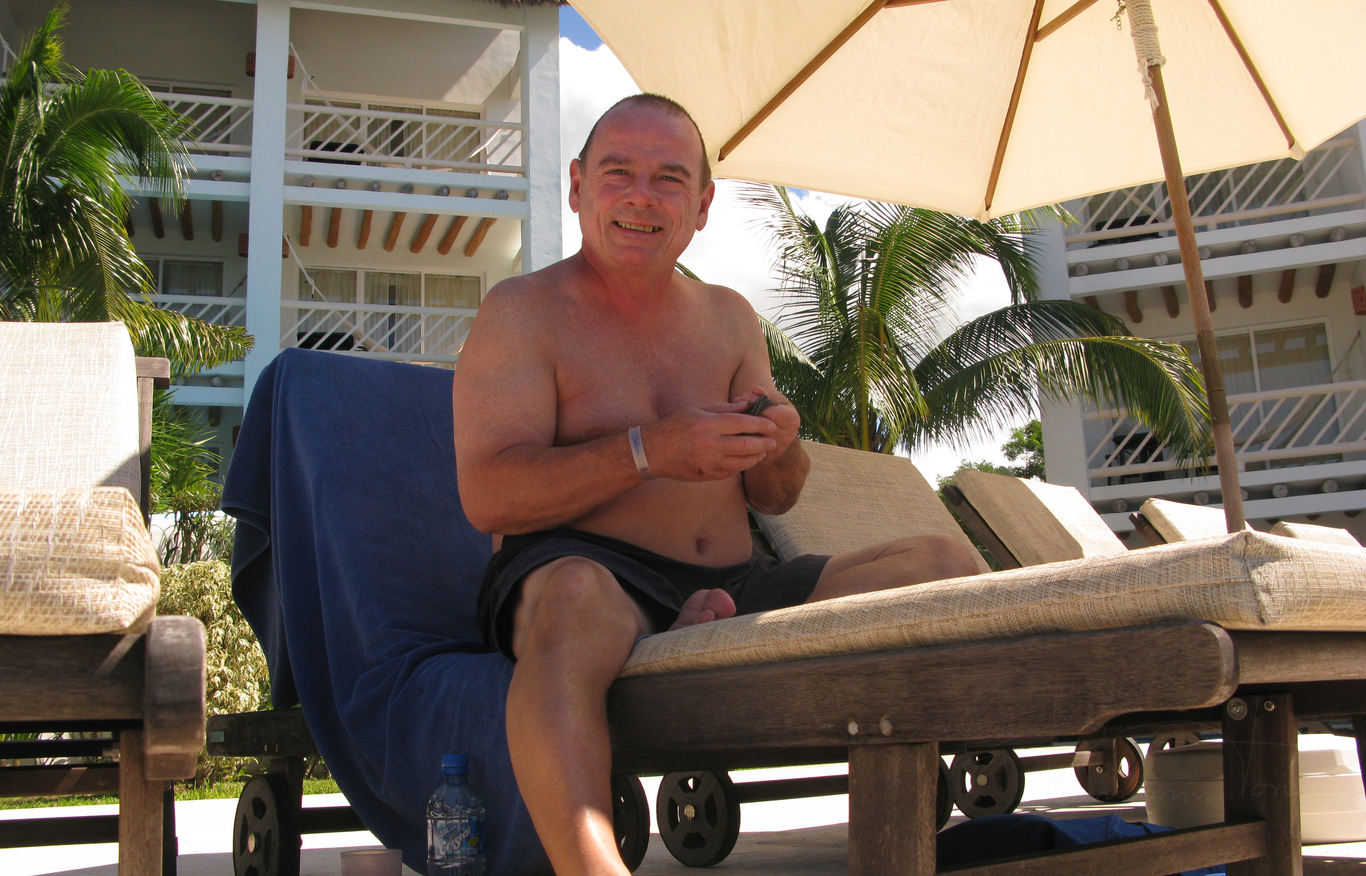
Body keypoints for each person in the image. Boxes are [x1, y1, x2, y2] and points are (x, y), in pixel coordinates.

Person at [451, 93, 980, 876]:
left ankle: (912, 800)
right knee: (574, 598)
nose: (641, 196)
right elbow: (489, 496)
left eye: (669, 179)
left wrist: (779, 446)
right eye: (618, 172)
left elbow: (776, 496)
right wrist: (647, 451)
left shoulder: (729, 317)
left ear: (701, 206)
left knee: (944, 563)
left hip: (736, 584)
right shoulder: (522, 313)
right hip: (586, 577)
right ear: (577, 186)